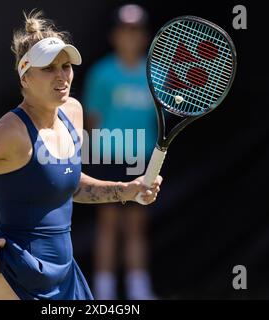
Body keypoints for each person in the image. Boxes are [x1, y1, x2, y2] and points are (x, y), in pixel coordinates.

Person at [0, 10, 162, 300]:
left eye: (66, 66)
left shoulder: (73, 111)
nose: (61, 76)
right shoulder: (9, 132)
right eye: (48, 68)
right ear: (25, 77)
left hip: (66, 272)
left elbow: (70, 185)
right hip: (17, 273)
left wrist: (126, 190)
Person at [83, 4, 158, 300]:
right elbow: (91, 121)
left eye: (136, 30)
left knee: (136, 227)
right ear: (115, 35)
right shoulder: (102, 73)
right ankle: (103, 294)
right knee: (109, 225)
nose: (131, 36)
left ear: (145, 36)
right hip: (109, 157)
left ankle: (140, 293)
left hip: (142, 158)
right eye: (125, 30)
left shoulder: (156, 74)